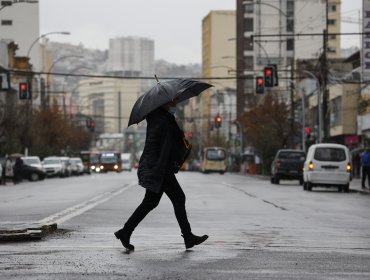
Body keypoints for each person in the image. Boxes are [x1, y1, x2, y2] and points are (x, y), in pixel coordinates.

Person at [114, 101, 208, 252]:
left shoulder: (162, 118)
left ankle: (125, 232)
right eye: (173, 101)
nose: (175, 103)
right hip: (160, 167)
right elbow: (166, 144)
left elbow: (171, 140)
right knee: (178, 198)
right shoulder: (161, 120)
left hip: (159, 166)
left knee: (150, 202)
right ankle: (188, 236)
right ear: (164, 103)